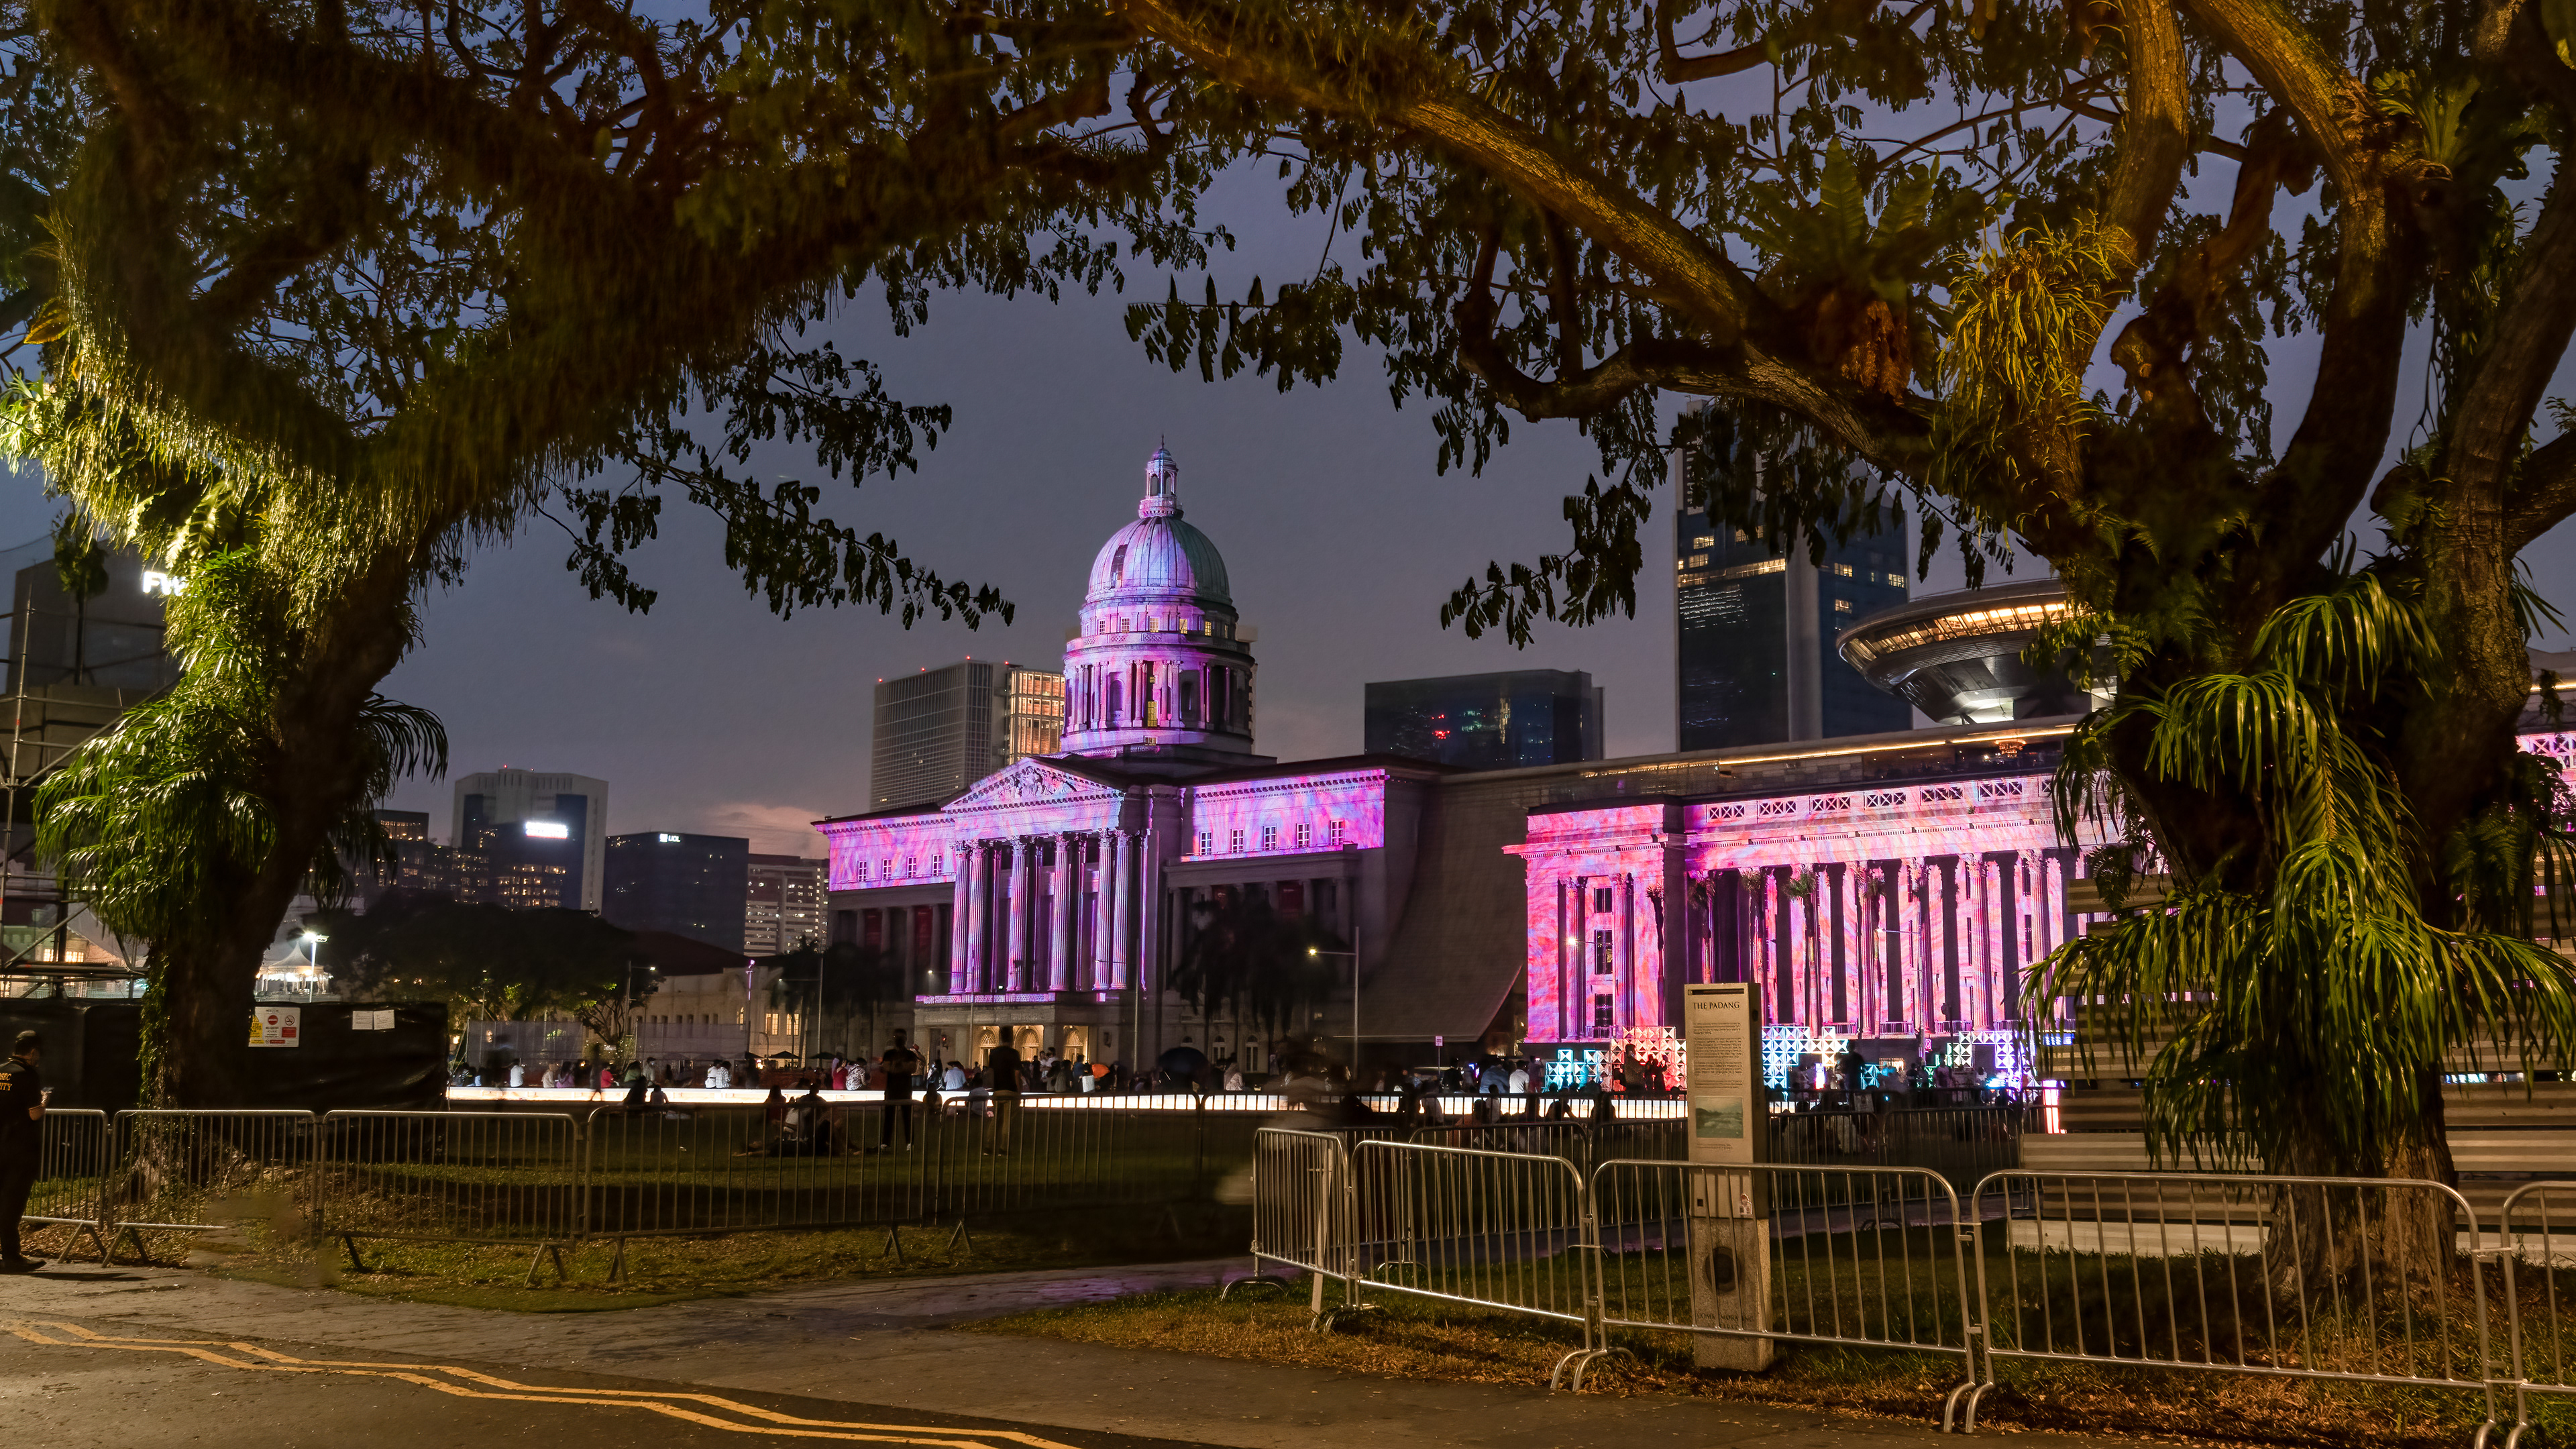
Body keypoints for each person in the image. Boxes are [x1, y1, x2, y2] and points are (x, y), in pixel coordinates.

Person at [0, 1030, 47, 1273]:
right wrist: (45, 1101)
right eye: (38, 1054)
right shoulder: (27, 1075)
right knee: (12, 1203)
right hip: (19, 1149)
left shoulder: (1, 1070)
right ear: (33, 1052)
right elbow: (34, 1113)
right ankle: (11, 1256)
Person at [878, 1030, 919, 1150]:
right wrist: (901, 1067)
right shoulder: (890, 1054)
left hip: (905, 1089)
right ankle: (886, 1143)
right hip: (892, 1089)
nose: (898, 1040)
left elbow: (912, 1068)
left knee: (907, 1117)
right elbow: (884, 1068)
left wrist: (894, 1067)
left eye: (900, 1037)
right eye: (897, 1037)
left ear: (905, 1039)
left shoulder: (910, 1054)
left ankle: (910, 1142)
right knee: (889, 1117)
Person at [986, 1037, 1023, 1155]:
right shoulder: (1014, 1054)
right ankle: (1004, 1148)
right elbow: (1017, 1073)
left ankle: (988, 1147)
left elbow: (990, 1072)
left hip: (998, 1090)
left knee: (995, 1120)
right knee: (1008, 1121)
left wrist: (993, 1088)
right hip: (1010, 1090)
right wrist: (1019, 1092)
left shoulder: (994, 1053)